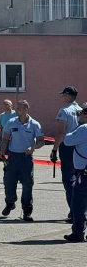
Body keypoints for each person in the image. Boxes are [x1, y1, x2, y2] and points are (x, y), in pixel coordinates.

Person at [0, 99, 44, 221]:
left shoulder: (34, 124)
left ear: (25, 109)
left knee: (27, 185)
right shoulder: (11, 122)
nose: (16, 110)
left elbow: (41, 141)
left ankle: (27, 211)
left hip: (26, 158)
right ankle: (10, 203)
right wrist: (2, 151)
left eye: (19, 108)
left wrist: (33, 147)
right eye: (17, 108)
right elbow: (5, 139)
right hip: (13, 157)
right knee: (8, 183)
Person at [52, 86, 81, 223]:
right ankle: (80, 209)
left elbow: (61, 132)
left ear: (68, 95)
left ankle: (75, 211)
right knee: (80, 179)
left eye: (64, 94)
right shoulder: (81, 110)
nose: (62, 97)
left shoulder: (64, 111)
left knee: (69, 180)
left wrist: (54, 149)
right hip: (81, 147)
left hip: (68, 146)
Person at [62, 102, 87, 242]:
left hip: (83, 173)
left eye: (81, 114)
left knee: (78, 204)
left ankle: (78, 233)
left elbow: (67, 140)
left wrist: (75, 128)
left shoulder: (83, 128)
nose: (78, 116)